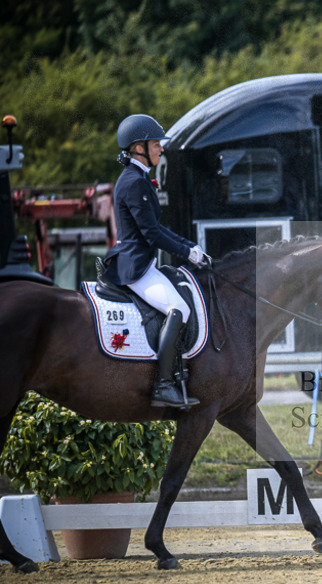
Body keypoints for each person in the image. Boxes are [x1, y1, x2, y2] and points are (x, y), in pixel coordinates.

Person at [102, 114, 210, 408]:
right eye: (156, 145)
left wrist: (190, 246)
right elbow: (151, 233)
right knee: (179, 308)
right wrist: (187, 253)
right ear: (139, 147)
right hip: (134, 266)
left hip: (142, 262)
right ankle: (163, 385)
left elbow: (155, 228)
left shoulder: (135, 179)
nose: (161, 149)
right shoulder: (133, 182)